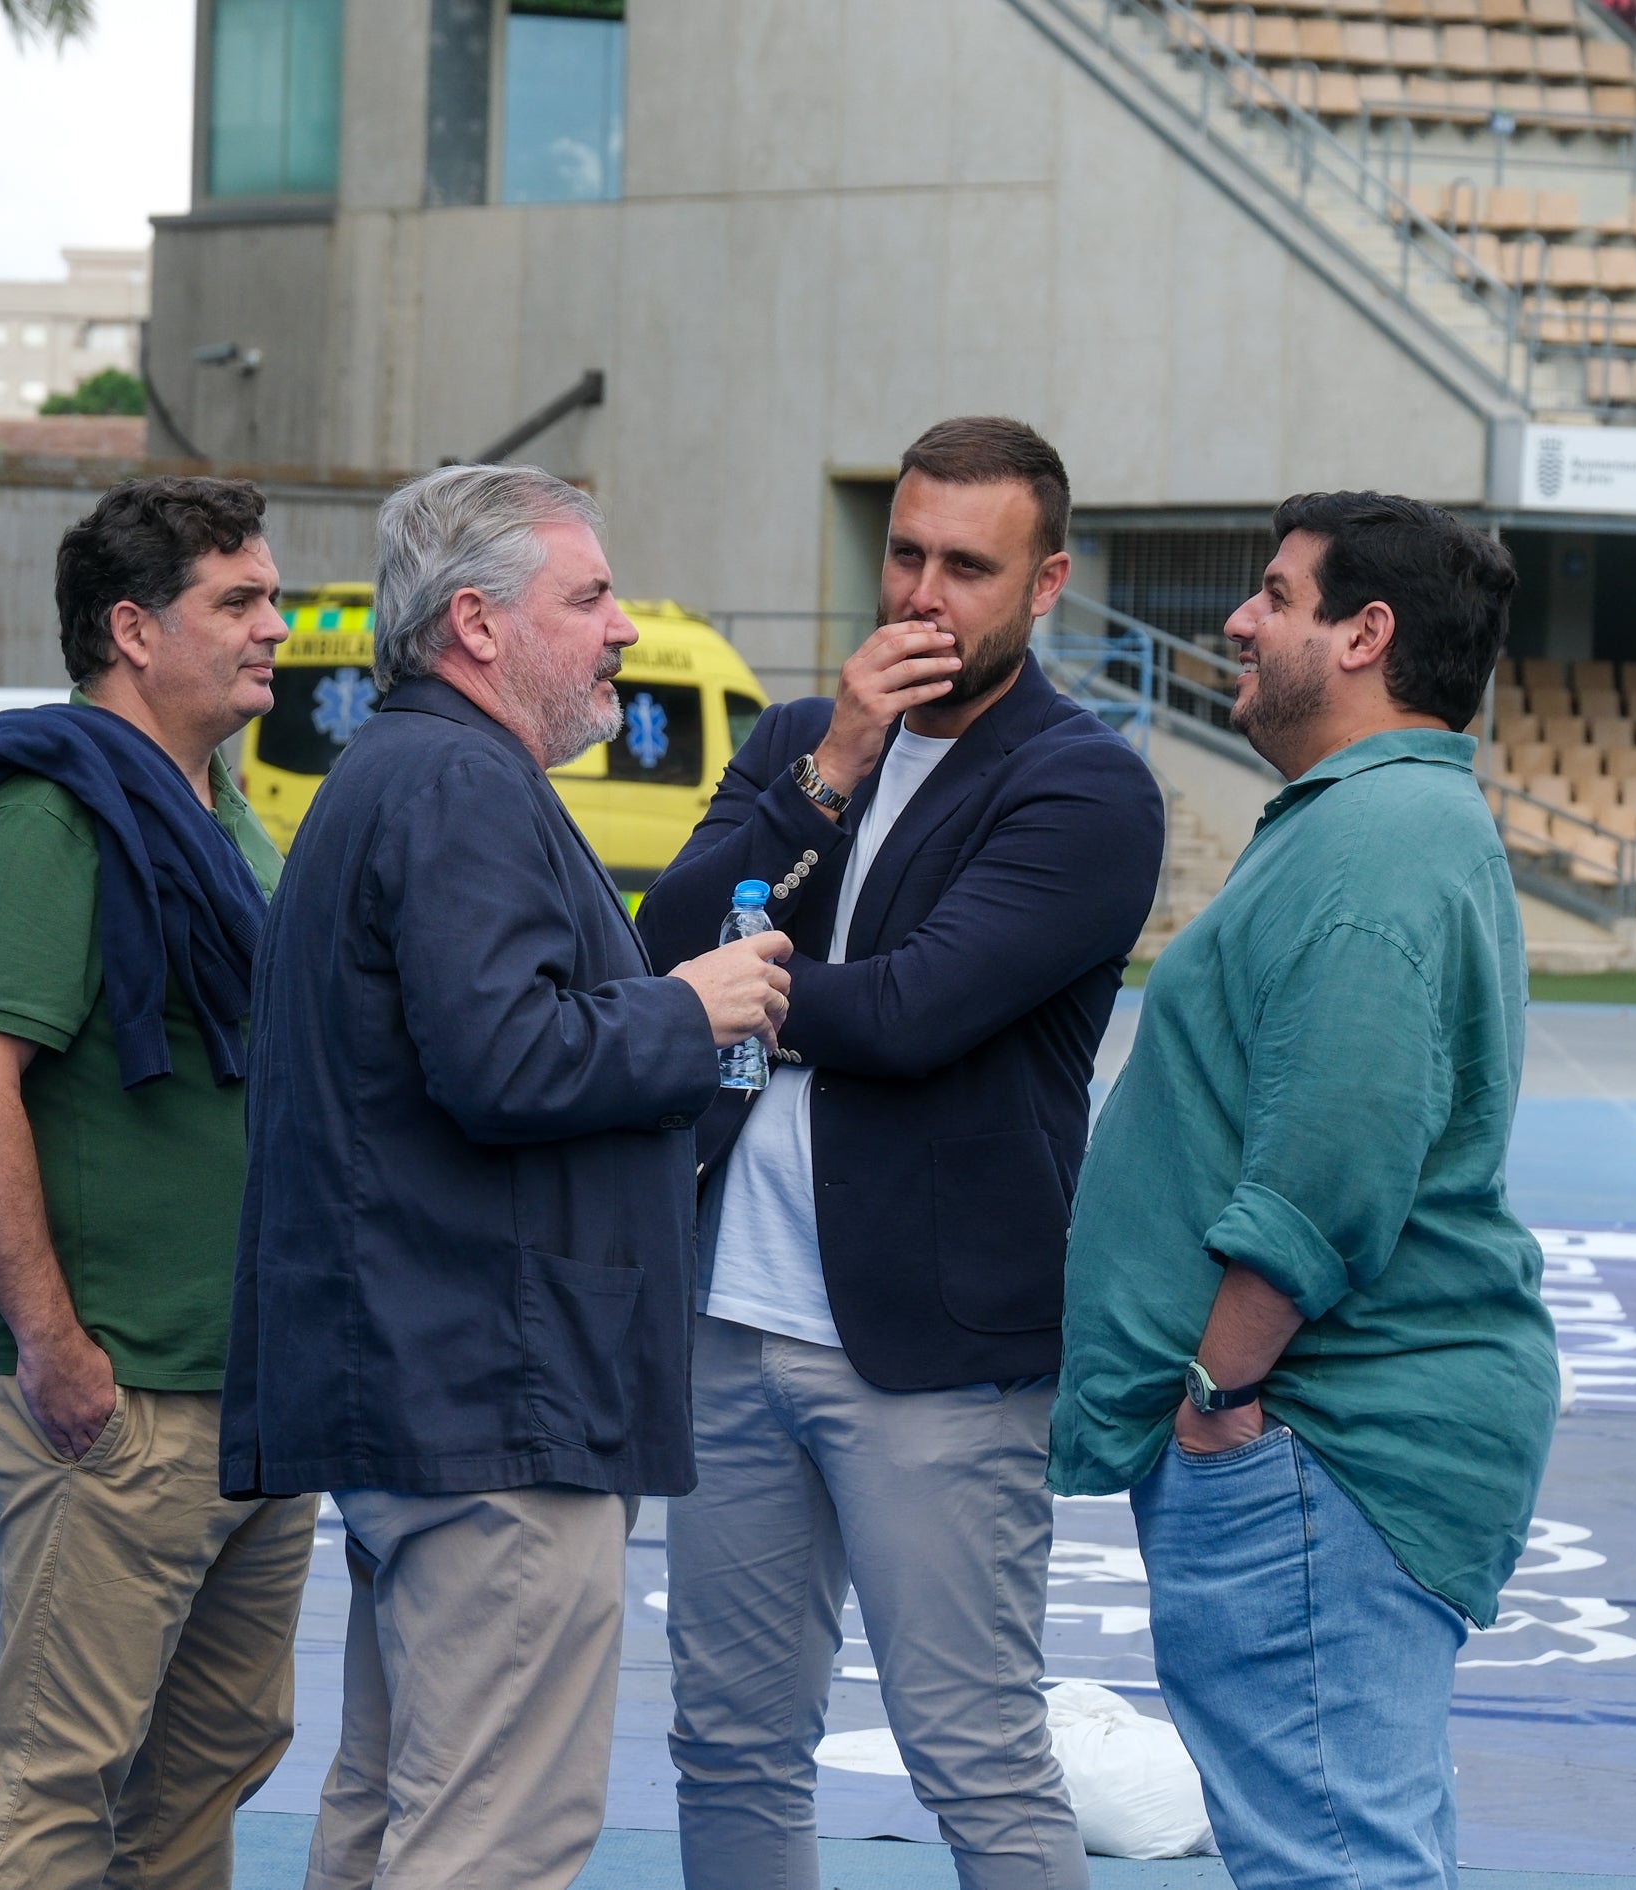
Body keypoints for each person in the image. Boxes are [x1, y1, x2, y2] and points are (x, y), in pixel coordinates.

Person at [220, 463, 796, 1890]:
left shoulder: (406, 775)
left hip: (439, 1384)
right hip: (494, 1401)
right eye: (590, 595)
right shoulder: (459, 785)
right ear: (477, 624)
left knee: (395, 1808)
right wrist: (690, 1008)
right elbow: (504, 1058)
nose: (621, 629)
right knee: (496, 1836)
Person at [636, 416, 1164, 1890]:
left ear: (1047, 582)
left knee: (974, 1754)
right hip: (728, 1319)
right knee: (727, 1742)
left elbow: (918, 1008)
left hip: (936, 1353)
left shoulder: (1087, 786)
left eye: (968, 569)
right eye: (906, 555)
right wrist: (834, 764)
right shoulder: (807, 738)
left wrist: (734, 984)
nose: (924, 596)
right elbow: (667, 939)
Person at [1049, 493, 1556, 1889]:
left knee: (1335, 1863)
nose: (1236, 620)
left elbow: (1334, 1158)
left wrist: (1217, 1394)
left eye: (1274, 594)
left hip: (1305, 1442)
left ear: (1363, 634)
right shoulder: (1377, 821)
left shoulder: (1376, 844)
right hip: (1314, 1446)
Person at [0, 476, 317, 1890]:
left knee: (213, 1753)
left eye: (271, 594)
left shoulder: (220, 807)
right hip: (118, 1397)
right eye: (237, 601)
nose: (276, 627)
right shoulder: (49, 820)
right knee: (57, 1777)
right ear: (134, 628)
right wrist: (57, 1347)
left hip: (250, 1385)